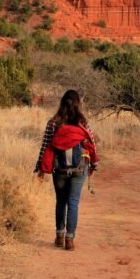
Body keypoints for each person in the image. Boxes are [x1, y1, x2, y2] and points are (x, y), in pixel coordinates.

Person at [34, 90, 98, 251]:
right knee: (73, 202)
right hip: (79, 168)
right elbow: (92, 144)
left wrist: (40, 168)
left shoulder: (53, 123)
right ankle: (70, 240)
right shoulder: (83, 122)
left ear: (62, 103)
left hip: (59, 168)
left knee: (61, 201)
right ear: (78, 104)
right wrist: (93, 166)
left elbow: (45, 146)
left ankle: (59, 236)